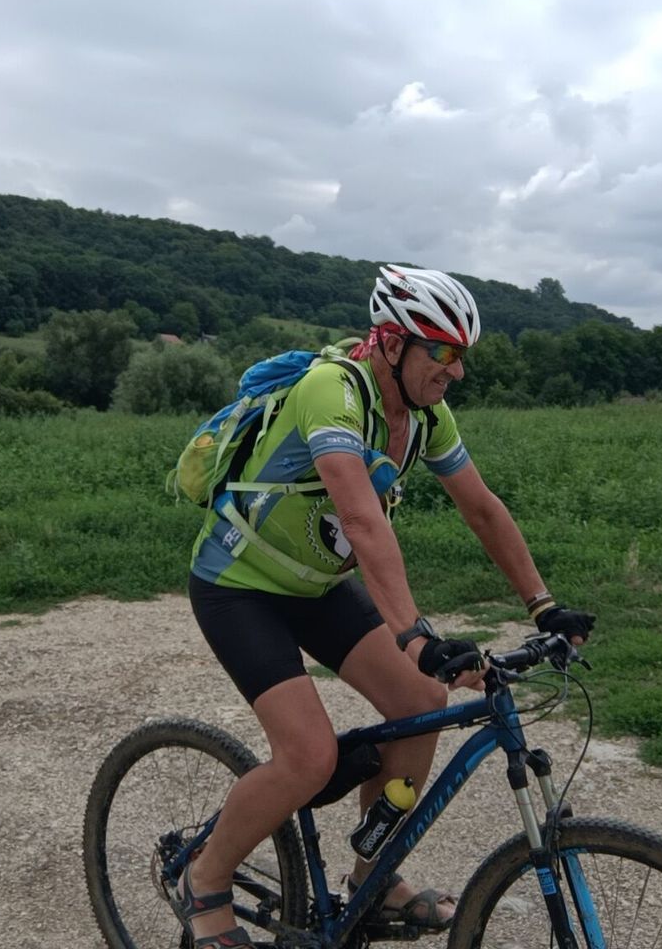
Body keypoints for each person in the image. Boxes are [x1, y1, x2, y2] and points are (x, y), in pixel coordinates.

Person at [179, 265, 595, 945]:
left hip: (315, 587)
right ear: (393, 343)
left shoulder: (425, 414)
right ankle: (206, 881)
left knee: (421, 704)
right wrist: (415, 637)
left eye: (462, 355)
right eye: (444, 351)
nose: (457, 370)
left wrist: (543, 606)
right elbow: (361, 520)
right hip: (240, 587)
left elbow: (483, 510)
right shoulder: (331, 391)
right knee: (309, 757)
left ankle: (372, 880)